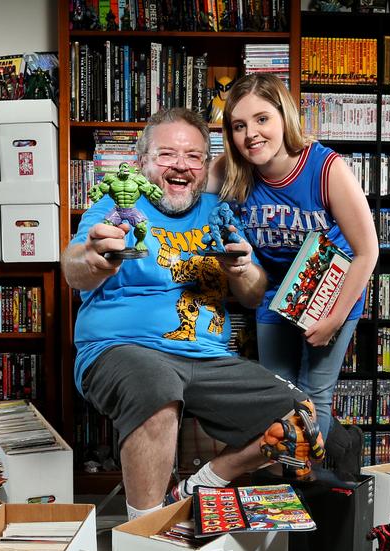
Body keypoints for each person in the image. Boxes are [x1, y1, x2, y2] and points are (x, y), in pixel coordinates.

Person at [61, 107, 323, 520]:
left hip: (208, 357)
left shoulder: (218, 210)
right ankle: (144, 536)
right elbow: (73, 267)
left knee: (301, 421)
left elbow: (254, 296)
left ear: (205, 165)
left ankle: (202, 484)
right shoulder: (115, 206)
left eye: (194, 156)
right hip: (121, 350)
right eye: (166, 155)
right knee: (156, 388)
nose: (180, 165)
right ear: (141, 163)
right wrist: (95, 256)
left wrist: (243, 268)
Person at [213, 73, 378, 471]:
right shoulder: (231, 170)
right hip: (274, 290)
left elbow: (367, 251)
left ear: (284, 116)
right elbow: (177, 190)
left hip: (331, 289)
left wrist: (335, 318)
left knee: (315, 394)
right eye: (239, 125)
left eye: (262, 119)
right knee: (278, 394)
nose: (251, 134)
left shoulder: (325, 168)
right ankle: (300, 469)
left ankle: (305, 484)